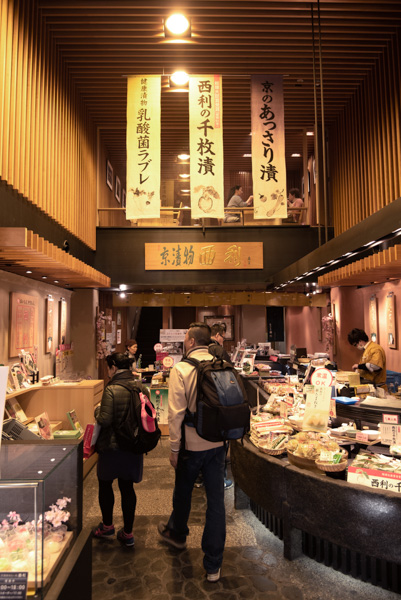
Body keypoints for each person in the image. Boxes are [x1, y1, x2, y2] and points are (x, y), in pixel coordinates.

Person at [158, 322, 226, 582]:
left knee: (183, 492)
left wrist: (173, 448)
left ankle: (178, 535)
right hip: (219, 444)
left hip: (191, 444)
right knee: (216, 503)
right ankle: (213, 566)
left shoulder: (182, 368)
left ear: (190, 342)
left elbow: (175, 413)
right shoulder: (221, 364)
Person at [92, 352, 146, 548]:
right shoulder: (139, 386)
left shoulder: (111, 389)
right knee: (127, 487)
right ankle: (128, 533)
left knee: (105, 485)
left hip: (111, 447)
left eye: (108, 368)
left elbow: (104, 419)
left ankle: (107, 526)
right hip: (132, 445)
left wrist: (97, 409)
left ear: (113, 367)